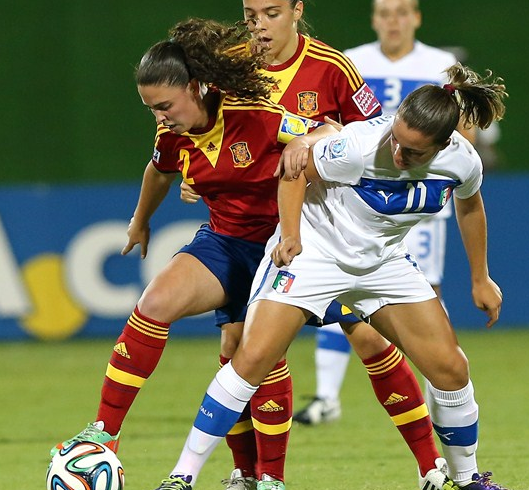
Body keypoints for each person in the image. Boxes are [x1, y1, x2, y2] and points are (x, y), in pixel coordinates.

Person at [153, 63, 507, 490]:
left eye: (412, 152)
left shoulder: (462, 161)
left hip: (382, 265)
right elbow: (293, 170)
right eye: (396, 138)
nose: (397, 154)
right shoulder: (358, 146)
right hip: (315, 256)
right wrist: (290, 234)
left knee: (451, 369)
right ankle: (181, 477)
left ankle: (466, 480)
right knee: (250, 361)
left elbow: (470, 207)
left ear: (443, 144)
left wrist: (480, 278)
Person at [51, 17, 332, 490]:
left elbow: (330, 132)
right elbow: (158, 170)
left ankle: (270, 478)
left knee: (251, 355)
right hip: (224, 242)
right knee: (156, 302)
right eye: (150, 108)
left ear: (196, 88)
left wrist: (307, 140)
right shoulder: (172, 133)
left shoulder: (257, 113)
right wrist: (140, 221)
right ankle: (103, 435)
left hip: (280, 249)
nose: (159, 116)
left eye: (164, 105)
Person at [182, 2, 452, 488]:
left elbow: (375, 133)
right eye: (250, 12)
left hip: (321, 231)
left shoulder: (332, 66)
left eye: (270, 12)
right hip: (248, 229)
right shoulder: (230, 66)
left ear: (295, 10)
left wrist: (327, 131)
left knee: (369, 338)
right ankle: (251, 474)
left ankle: (430, 465)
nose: (258, 23)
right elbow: (203, 133)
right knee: (241, 346)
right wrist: (197, 172)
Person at [293, 0, 462, 428]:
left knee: (426, 302)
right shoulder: (353, 60)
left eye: (402, 12)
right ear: (374, 19)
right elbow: (331, 123)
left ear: (417, 17)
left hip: (417, 206)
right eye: (385, 13)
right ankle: (327, 397)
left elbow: (463, 132)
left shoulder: (442, 64)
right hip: (362, 200)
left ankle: (436, 398)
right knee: (340, 289)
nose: (393, 21)